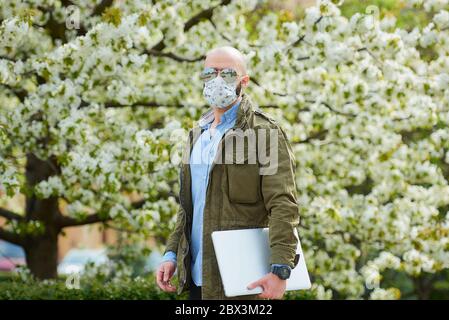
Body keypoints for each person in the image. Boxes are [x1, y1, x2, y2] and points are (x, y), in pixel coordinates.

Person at [156, 46, 299, 300]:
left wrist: (281, 269)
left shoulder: (265, 133)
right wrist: (171, 254)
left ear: (243, 81)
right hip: (198, 281)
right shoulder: (195, 136)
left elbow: (283, 204)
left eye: (228, 73)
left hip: (244, 283)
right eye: (210, 73)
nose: (218, 80)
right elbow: (188, 207)